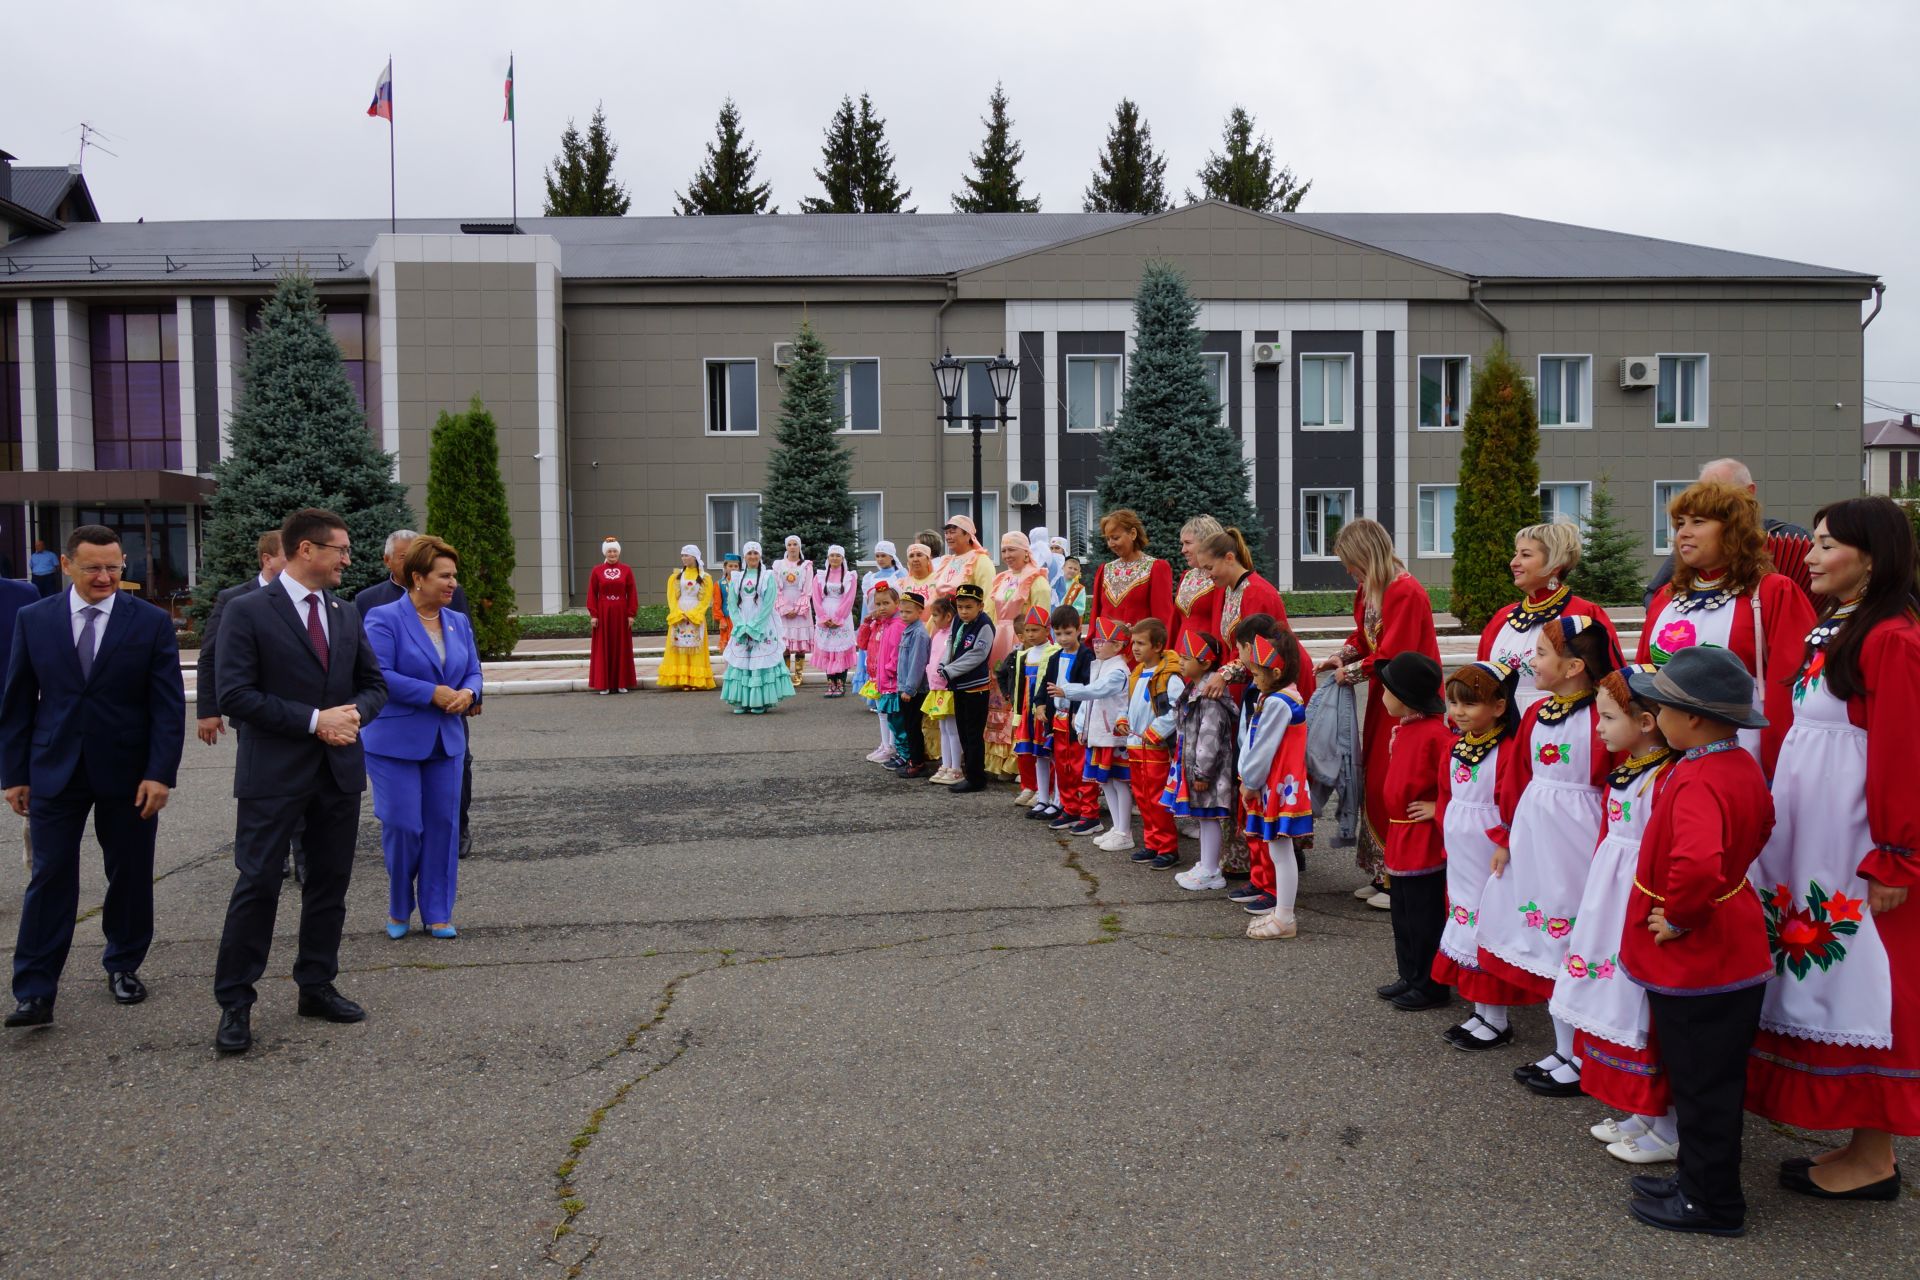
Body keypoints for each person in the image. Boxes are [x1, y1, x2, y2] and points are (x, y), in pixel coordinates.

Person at [1745, 496, 1920, 1201]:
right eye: (1811, 544)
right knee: (1819, 980)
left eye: (1824, 546)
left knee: (1864, 987)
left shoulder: (1894, 640)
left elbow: (1904, 755)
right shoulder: (1842, 627)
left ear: (1871, 557)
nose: (1808, 557)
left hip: (1854, 846)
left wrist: (1896, 854)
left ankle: (1874, 1157)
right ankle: (1854, 1140)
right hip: (1811, 838)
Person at [210, 508, 389, 1055]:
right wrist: (317, 721)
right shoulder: (246, 611)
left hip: (336, 774)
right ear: (306, 550)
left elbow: (373, 684)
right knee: (258, 884)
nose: (347, 559)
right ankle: (236, 1002)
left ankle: (316, 984)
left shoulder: (343, 612)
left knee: (329, 885)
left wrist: (352, 715)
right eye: (340, 548)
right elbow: (235, 695)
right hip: (273, 776)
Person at [1619, 646, 1776, 1237]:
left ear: (1696, 720)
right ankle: (1695, 1179)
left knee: (1703, 1082)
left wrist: (1682, 914)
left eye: (1661, 709)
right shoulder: (1734, 765)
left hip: (1701, 957)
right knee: (1701, 1076)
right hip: (1730, 941)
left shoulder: (1699, 778)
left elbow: (1696, 862)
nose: (1653, 717)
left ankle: (1712, 1203)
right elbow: (1763, 823)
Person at [2, 526, 184, 1029]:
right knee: (49, 876)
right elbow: (17, 702)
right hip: (53, 771)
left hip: (128, 773)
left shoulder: (148, 623)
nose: (105, 577)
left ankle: (123, 964)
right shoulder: (34, 619)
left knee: (128, 872)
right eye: (93, 568)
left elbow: (167, 707)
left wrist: (159, 773)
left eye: (113, 567)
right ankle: (35, 991)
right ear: (65, 565)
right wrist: (14, 773)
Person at [1478, 616, 1616, 1097]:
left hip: (1576, 839)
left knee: (1573, 937)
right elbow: (1516, 776)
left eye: (1540, 653)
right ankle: (1564, 1047)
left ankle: (1582, 1054)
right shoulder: (1537, 713)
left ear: (1575, 665)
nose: (1530, 661)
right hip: (1537, 835)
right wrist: (1506, 835)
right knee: (1547, 937)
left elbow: (1614, 779)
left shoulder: (1602, 716)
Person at [1555, 663, 1680, 1166]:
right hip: (1611, 892)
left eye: (1607, 718)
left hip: (1638, 894)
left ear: (1646, 722)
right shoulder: (1631, 769)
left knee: (1640, 1007)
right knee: (1610, 994)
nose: (1599, 728)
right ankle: (1641, 1111)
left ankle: (1666, 1123)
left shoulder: (1664, 778)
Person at [1638, 480, 1817, 777]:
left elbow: (1788, 683)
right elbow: (1643, 676)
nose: (1683, 531)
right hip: (1667, 751)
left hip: (1743, 751)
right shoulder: (1666, 596)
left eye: (1698, 521)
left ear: (1733, 530)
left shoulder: (1773, 592)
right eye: (1680, 522)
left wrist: (1779, 762)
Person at [360, 536, 482, 941]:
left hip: (446, 740)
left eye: (454, 576)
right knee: (403, 825)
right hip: (394, 740)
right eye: (444, 576)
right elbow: (380, 674)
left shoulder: (457, 621)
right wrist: (431, 692)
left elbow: (473, 671)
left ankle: (438, 911)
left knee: (442, 826)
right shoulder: (383, 618)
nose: (453, 584)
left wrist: (470, 692)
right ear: (418, 577)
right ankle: (399, 906)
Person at [1315, 518, 1440, 906]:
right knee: (1376, 775)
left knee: (1397, 778)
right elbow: (1364, 637)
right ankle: (1381, 869)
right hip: (1388, 697)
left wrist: (1347, 672)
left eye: (1350, 562)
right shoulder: (1372, 587)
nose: (1348, 571)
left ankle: (1399, 875)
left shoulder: (1404, 591)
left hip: (1408, 700)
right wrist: (1342, 655)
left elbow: (1391, 654)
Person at [1428, 661, 1533, 1049]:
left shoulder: (1507, 751)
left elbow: (1513, 800)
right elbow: (1446, 794)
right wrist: (1446, 831)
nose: (1458, 712)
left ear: (1500, 707)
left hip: (1490, 851)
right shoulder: (1456, 746)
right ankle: (1480, 1009)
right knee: (1463, 919)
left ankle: (1498, 1017)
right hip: (1462, 852)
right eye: (1453, 703)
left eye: (1469, 704)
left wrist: (1505, 842)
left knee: (1490, 924)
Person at [1374, 652, 1454, 1005]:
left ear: (1404, 696)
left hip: (1422, 839)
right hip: (1400, 834)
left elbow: (1455, 784)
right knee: (1402, 915)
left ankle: (1430, 984)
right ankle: (1410, 975)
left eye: (1386, 690)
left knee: (1424, 917)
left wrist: (1439, 807)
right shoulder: (1406, 729)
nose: (1382, 696)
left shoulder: (1437, 735)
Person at [1479, 521, 1622, 712]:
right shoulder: (1503, 617)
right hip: (1505, 729)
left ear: (1555, 565)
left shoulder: (1585, 613)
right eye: (1516, 553)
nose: (1514, 562)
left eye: (1526, 555)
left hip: (1566, 729)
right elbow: (1480, 678)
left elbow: (1612, 679)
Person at [1231, 631, 1317, 941]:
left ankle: (1284, 917)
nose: (1253, 681)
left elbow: (1263, 747)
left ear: (1276, 672)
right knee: (1279, 851)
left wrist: (1250, 782)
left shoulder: (1279, 703)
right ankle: (1282, 911)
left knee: (1281, 853)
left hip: (1278, 785)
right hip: (1280, 783)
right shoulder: (1284, 695)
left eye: (1256, 674)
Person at [1644, 458, 1814, 606]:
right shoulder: (1692, 542)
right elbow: (1652, 593)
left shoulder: (1787, 536)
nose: (1707, 500)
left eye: (1719, 491)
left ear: (1749, 492)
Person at [1159, 630, 1237, 880]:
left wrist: (1202, 772)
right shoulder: (1194, 690)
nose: (1180, 662)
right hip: (1195, 767)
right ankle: (1205, 864)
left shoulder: (1210, 699)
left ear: (1204, 662)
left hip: (1209, 771)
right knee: (1204, 817)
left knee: (1210, 816)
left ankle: (1212, 870)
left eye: (1186, 658)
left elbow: (1209, 738)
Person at [198, 531, 287, 746]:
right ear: (267, 559)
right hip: (251, 714)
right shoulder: (234, 599)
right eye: (289, 555)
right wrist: (208, 710)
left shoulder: (306, 596)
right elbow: (211, 655)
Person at [1054, 616, 1132, 847]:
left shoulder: (1118, 671)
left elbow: (1095, 691)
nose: (1096, 645)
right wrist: (1081, 726)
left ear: (1118, 646)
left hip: (1112, 736)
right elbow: (1090, 700)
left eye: (1102, 641)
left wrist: (1066, 690)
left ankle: (1124, 831)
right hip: (1098, 735)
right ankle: (1117, 827)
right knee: (1105, 782)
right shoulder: (1099, 666)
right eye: (1095, 640)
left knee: (1119, 782)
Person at [987, 532, 1053, 779]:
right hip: (999, 640)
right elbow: (990, 612)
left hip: (1022, 641)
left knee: (1020, 697)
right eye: (1004, 551)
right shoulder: (1001, 578)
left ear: (1026, 552)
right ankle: (1000, 759)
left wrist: (1031, 643)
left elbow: (1041, 616)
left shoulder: (1037, 580)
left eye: (1012, 550)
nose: (1007, 556)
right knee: (999, 696)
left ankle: (1020, 760)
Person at [1118, 619, 1184, 868]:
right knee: (1143, 797)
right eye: (1133, 642)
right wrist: (1122, 719)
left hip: (1155, 748)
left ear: (1157, 646)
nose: (1134, 648)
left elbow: (1177, 710)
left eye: (1140, 643)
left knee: (1157, 798)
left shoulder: (1169, 677)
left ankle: (1168, 847)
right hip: (1136, 745)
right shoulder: (1137, 674)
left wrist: (1155, 731)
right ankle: (1152, 843)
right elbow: (1127, 704)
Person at [1037, 606, 1097, 832]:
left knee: (1081, 767)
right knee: (1063, 768)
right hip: (1058, 721)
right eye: (1058, 633)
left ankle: (1089, 813)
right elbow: (1044, 685)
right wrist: (1040, 704)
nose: (1063, 638)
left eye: (1068, 633)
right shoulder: (1054, 658)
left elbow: (1089, 689)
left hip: (1076, 722)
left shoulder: (1086, 656)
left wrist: (1079, 715)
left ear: (1078, 629)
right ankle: (1070, 808)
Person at [720, 542, 793, 715]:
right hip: (742, 624)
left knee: (760, 662)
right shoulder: (737, 577)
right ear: (744, 556)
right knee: (741, 661)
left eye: (755, 553)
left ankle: (760, 701)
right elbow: (731, 603)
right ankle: (742, 700)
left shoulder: (768, 576)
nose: (752, 556)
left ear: (760, 555)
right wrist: (740, 624)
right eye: (749, 553)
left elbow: (768, 604)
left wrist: (755, 626)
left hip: (763, 624)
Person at [1086, 509, 1174, 641]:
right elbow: (1095, 616)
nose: (1111, 544)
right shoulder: (1105, 569)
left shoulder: (1155, 568)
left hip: (1138, 651)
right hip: (1106, 649)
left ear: (1133, 534)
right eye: (1108, 539)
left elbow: (1162, 619)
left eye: (1115, 538)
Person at [940, 583, 995, 793]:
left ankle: (976, 778)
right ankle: (968, 773)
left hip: (975, 687)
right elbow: (951, 644)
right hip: (959, 685)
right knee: (962, 731)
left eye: (968, 607)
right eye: (960, 606)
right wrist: (943, 664)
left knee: (973, 734)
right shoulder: (957, 621)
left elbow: (977, 655)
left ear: (980, 606)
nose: (963, 611)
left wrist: (951, 670)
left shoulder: (984, 625)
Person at [1011, 606, 1058, 813]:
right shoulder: (1025, 654)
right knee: (1027, 751)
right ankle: (1030, 786)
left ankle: (1046, 790)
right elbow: (1020, 685)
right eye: (1027, 630)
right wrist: (1018, 713)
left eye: (1035, 630)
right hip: (1026, 707)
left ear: (1047, 630)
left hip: (1042, 709)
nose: (1030, 634)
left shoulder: (1054, 652)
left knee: (1044, 751)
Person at [659, 546, 719, 692]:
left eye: (687, 555)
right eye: (682, 555)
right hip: (679, 613)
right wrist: (677, 612)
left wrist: (695, 614)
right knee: (679, 647)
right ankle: (682, 679)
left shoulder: (705, 578)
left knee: (695, 647)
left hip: (695, 613)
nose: (684, 558)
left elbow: (706, 600)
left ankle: (695, 680)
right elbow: (671, 597)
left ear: (695, 557)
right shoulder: (675, 576)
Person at [586, 537, 638, 695]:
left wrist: (631, 614)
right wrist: (594, 615)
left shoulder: (627, 570)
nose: (612, 553)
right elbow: (592, 594)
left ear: (619, 552)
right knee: (604, 647)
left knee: (621, 646)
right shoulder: (597, 570)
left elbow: (632, 593)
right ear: (605, 552)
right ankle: (605, 683)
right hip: (603, 613)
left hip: (621, 612)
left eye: (615, 551)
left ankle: (622, 682)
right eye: (609, 551)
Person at [889, 591, 932, 778]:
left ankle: (918, 763)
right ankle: (914, 760)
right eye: (902, 612)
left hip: (914, 690)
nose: (903, 615)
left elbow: (917, 663)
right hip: (906, 687)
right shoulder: (909, 630)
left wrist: (909, 688)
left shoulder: (919, 634)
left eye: (908, 612)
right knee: (909, 726)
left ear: (920, 611)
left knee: (913, 727)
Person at [810, 546, 859, 698]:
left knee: (840, 650)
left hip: (842, 617)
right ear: (828, 558)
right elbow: (816, 598)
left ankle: (840, 683)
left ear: (843, 558)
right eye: (832, 555)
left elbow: (849, 599)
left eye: (838, 556)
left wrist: (839, 618)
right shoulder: (820, 576)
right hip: (824, 615)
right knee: (828, 650)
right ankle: (830, 682)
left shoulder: (850, 576)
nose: (834, 558)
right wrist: (823, 618)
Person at [866, 585, 907, 768]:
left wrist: (889, 670)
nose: (881, 608)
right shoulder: (884, 624)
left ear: (897, 603)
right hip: (885, 680)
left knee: (897, 719)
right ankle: (895, 750)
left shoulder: (897, 625)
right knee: (890, 717)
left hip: (893, 681)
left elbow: (897, 653)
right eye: (878, 604)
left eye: (886, 603)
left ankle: (903, 753)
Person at [1171, 515, 1225, 652]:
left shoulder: (1221, 579)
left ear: (1207, 543)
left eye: (1188, 543)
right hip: (1181, 655)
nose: (1183, 550)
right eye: (1182, 544)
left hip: (1204, 656)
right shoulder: (1187, 577)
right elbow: (1175, 623)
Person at [922, 596, 961, 785]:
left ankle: (956, 767)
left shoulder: (954, 636)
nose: (933, 619)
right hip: (937, 688)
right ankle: (946, 764)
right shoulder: (937, 635)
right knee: (943, 729)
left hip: (948, 688)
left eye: (936, 615)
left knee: (953, 730)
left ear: (948, 616)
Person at [773, 536, 815, 687]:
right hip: (783, 607)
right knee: (785, 644)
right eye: (789, 544)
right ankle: (785, 674)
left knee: (799, 644)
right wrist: (785, 608)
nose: (792, 547)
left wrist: (797, 609)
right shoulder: (778, 565)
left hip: (800, 609)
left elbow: (808, 589)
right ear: (786, 547)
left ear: (799, 547)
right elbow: (776, 588)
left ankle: (798, 674)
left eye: (795, 544)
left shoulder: (806, 566)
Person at [931, 516, 995, 607]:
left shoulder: (980, 560)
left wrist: (985, 620)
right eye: (946, 533)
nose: (948, 537)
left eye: (952, 532)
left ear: (968, 535)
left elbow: (988, 595)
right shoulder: (947, 561)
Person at [713, 552, 741, 654]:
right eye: (730, 566)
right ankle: (728, 669)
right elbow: (717, 604)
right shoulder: (719, 584)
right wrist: (721, 619)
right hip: (727, 619)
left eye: (736, 566)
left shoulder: (743, 583)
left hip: (740, 619)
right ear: (725, 567)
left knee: (741, 646)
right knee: (728, 647)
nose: (733, 568)